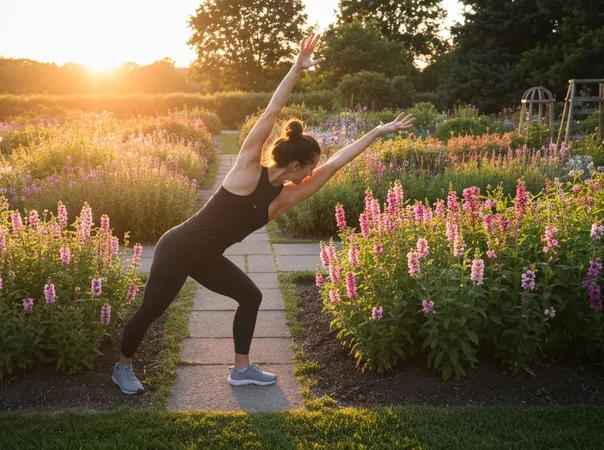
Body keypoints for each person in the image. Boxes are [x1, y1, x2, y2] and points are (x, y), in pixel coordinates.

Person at [112, 33, 415, 394]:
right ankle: (122, 368)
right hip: (177, 248)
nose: (313, 172)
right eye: (310, 166)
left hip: (206, 257)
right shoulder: (246, 170)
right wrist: (295, 68)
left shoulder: (283, 198)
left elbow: (334, 165)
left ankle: (241, 370)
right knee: (151, 311)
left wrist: (377, 132)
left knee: (251, 296)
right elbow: (271, 112)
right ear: (297, 164)